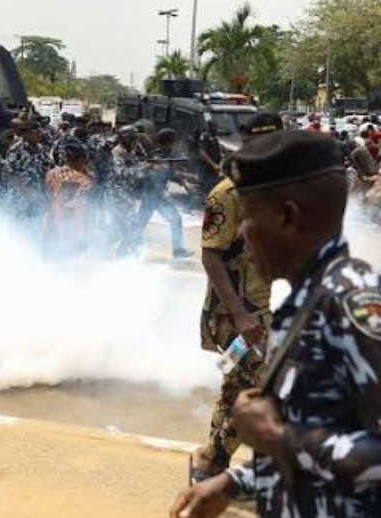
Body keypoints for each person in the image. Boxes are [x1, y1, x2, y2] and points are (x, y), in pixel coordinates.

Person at [170, 131, 381, 518]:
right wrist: (238, 482)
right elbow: (323, 434)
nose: (242, 233)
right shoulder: (305, 303)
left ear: (288, 216)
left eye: (249, 217)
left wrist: (276, 438)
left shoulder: (353, 305)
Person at [189, 118, 279, 485]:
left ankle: (210, 461)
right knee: (262, 384)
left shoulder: (267, 188)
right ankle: (219, 462)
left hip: (259, 309)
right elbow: (211, 255)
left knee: (238, 387)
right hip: (235, 315)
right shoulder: (227, 193)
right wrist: (240, 315)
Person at [122, 128, 193, 259]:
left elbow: (168, 172)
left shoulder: (165, 155)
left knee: (141, 222)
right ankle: (125, 248)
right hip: (152, 194)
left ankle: (125, 247)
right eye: (172, 142)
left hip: (154, 195)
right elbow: (155, 172)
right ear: (168, 142)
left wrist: (182, 179)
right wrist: (175, 176)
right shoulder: (157, 155)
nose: (174, 145)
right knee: (171, 219)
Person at [44, 137, 95, 257]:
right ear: (81, 159)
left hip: (50, 219)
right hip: (70, 225)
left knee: (51, 260)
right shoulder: (84, 180)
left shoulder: (51, 174)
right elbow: (76, 204)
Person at [5, 118, 53, 220]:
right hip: (20, 199)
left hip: (38, 196)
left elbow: (48, 167)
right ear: (26, 134)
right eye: (37, 132)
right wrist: (26, 192)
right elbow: (10, 173)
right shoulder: (16, 150)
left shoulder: (41, 149)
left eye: (40, 132)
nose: (40, 134)